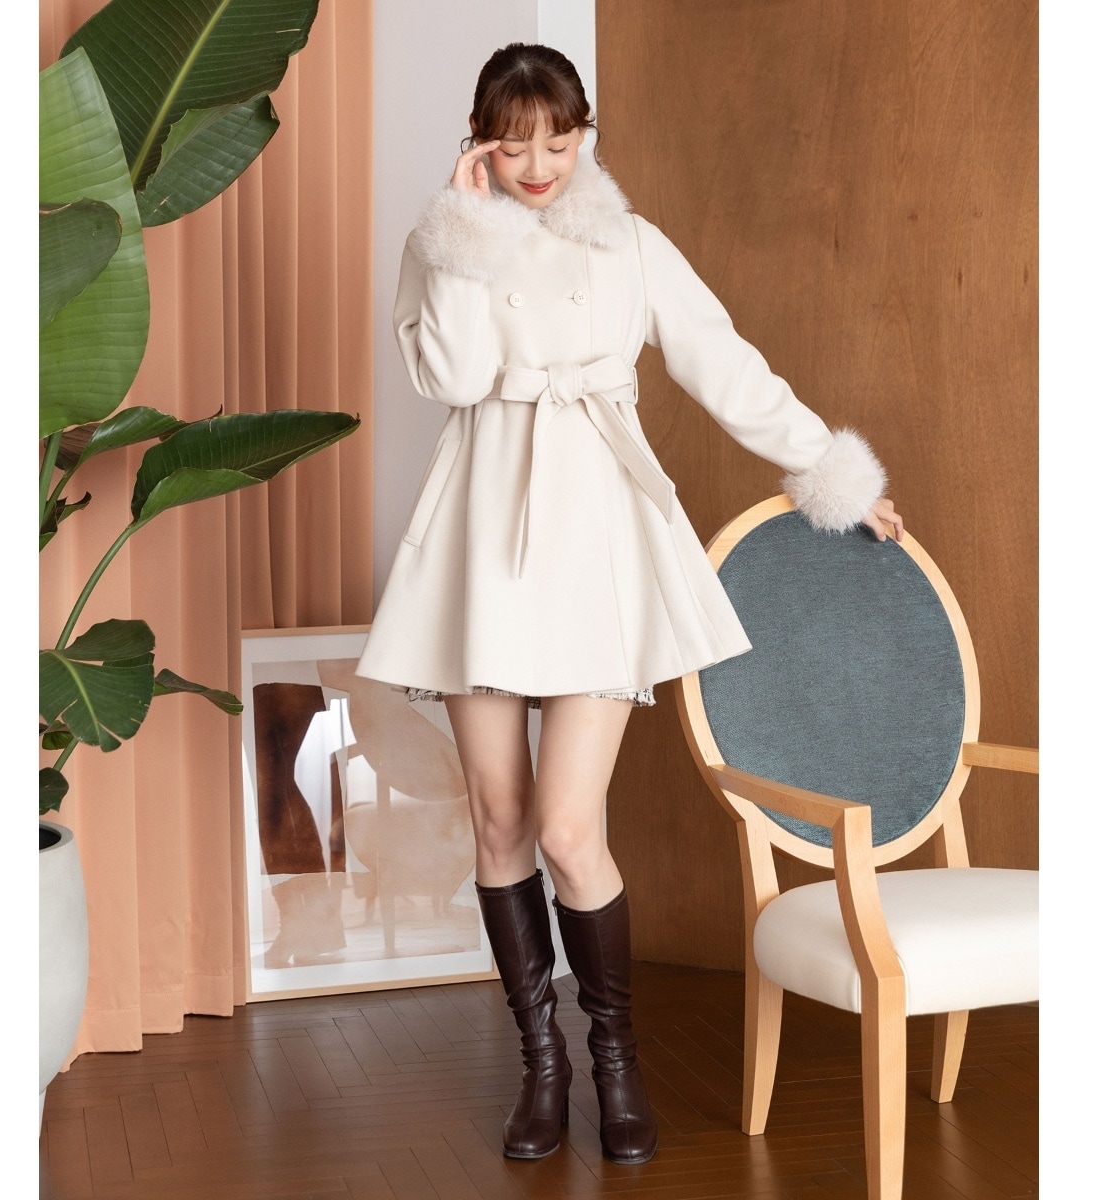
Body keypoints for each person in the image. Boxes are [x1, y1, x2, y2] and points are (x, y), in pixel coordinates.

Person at [356, 43, 902, 1166]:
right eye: (515, 143)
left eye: (559, 141)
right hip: (479, 545)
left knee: (568, 829)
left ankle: (615, 1058)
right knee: (501, 821)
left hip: (595, 540)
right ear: (479, 142)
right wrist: (463, 238)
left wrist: (833, 477)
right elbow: (448, 379)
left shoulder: (631, 245)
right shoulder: (441, 242)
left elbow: (727, 366)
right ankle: (542, 1063)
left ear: (583, 135)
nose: (538, 164)